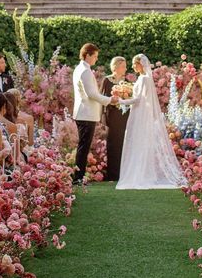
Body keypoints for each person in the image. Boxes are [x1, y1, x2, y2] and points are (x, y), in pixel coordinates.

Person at [117, 54, 185, 190]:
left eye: (134, 64)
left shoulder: (144, 79)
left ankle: (141, 175)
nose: (132, 66)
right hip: (140, 113)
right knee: (142, 143)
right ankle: (146, 173)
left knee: (139, 142)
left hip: (139, 113)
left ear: (141, 64)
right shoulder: (144, 79)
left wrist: (121, 101)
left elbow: (137, 99)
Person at [72, 43, 116, 183]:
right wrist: (109, 100)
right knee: (83, 147)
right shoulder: (85, 71)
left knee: (83, 146)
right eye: (95, 56)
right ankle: (78, 178)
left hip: (83, 112)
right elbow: (91, 94)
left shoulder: (79, 69)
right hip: (86, 113)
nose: (96, 59)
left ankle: (78, 177)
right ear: (88, 55)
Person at [101, 56, 130, 181]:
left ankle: (123, 174)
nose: (125, 68)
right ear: (116, 67)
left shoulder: (127, 81)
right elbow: (102, 99)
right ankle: (112, 175)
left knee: (124, 144)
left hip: (124, 116)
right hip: (111, 116)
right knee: (112, 144)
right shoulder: (107, 81)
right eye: (123, 66)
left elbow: (131, 98)